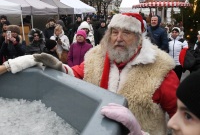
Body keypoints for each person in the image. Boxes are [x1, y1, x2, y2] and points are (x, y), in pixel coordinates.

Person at [33, 13, 179, 135]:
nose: (118, 38)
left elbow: (181, 119)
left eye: (126, 32)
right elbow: (78, 73)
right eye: (115, 32)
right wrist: (60, 68)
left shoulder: (160, 70)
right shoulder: (97, 56)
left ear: (139, 38)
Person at [101, 70, 200, 135]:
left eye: (188, 116)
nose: (170, 123)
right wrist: (137, 133)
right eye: (113, 35)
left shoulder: (161, 70)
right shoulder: (94, 60)